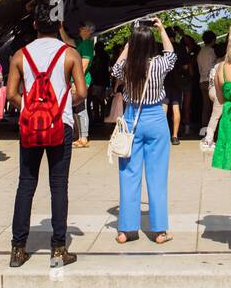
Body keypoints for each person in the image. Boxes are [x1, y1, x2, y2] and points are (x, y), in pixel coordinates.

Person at [5, 8, 87, 268]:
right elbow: (81, 93)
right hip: (59, 126)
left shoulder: (20, 55)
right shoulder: (69, 54)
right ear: (59, 23)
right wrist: (60, 106)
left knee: (26, 184)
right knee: (58, 185)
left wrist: (29, 108)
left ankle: (18, 249)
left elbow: (10, 95)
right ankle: (59, 249)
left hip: (30, 126)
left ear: (34, 24)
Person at [110, 17, 177, 244]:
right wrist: (161, 28)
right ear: (151, 45)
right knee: (157, 176)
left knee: (129, 174)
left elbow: (115, 68)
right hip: (156, 118)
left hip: (132, 120)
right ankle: (159, 231)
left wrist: (130, 43)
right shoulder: (159, 65)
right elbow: (171, 54)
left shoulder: (127, 68)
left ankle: (126, 229)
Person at [59, 21, 96, 149]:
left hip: (81, 80)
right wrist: (61, 27)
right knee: (78, 108)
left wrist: (75, 81)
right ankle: (80, 136)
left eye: (83, 27)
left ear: (89, 30)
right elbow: (67, 40)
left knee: (81, 108)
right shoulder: (82, 42)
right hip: (80, 80)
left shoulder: (86, 44)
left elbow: (84, 64)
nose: (79, 29)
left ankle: (83, 137)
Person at [196, 31, 218, 148]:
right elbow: (212, 67)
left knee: (205, 107)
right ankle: (212, 133)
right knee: (214, 109)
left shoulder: (200, 52)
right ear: (213, 40)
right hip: (210, 82)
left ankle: (204, 130)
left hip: (201, 80)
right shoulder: (211, 52)